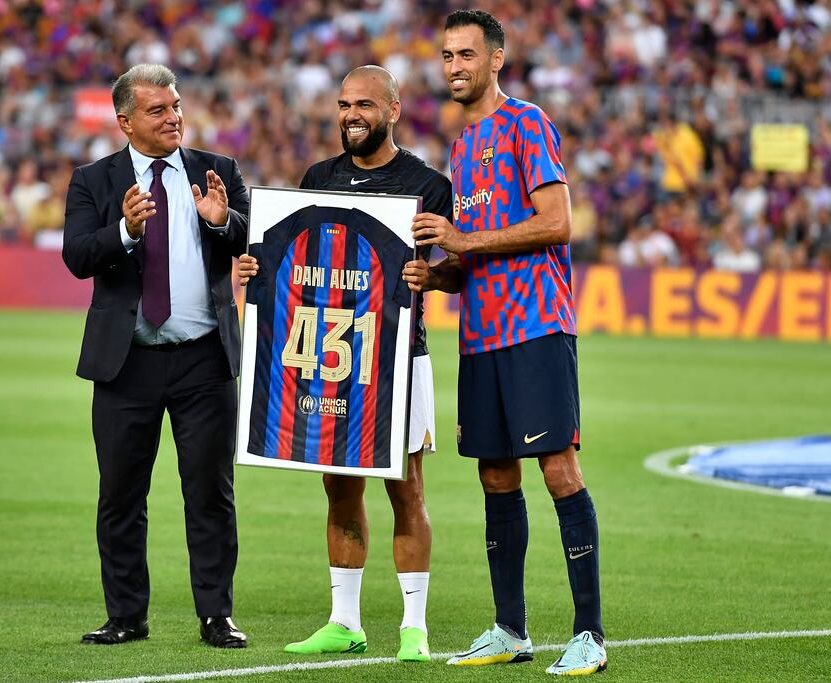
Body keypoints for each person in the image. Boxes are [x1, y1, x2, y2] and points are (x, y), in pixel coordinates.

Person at [406, 10, 607, 675]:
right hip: (480, 333)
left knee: (558, 469)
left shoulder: (527, 124)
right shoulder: (462, 149)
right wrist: (440, 274)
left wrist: (462, 240)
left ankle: (589, 635)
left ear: (496, 59)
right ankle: (509, 628)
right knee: (495, 474)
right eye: (446, 55)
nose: (454, 66)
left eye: (466, 54)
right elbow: (473, 250)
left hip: (537, 325)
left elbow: (556, 222)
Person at [238, 65, 452, 663]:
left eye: (363, 104)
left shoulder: (427, 184)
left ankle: (414, 627)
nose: (350, 114)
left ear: (393, 110)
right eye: (342, 105)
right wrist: (261, 271)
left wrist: (431, 273)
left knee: (405, 488)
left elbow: (457, 267)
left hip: (398, 358)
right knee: (339, 487)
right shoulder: (317, 178)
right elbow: (298, 258)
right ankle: (344, 621)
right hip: (332, 357)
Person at [62, 63, 249, 649]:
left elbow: (251, 235)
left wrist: (223, 223)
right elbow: (77, 255)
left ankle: (216, 615)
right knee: (120, 494)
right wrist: (122, 230)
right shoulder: (94, 181)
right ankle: (125, 616)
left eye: (175, 106)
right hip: (128, 362)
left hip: (203, 359)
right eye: (157, 110)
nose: (174, 118)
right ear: (125, 121)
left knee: (210, 494)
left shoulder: (217, 171)